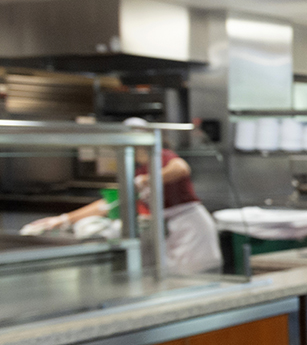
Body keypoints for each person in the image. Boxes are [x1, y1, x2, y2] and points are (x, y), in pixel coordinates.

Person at [23, 118, 222, 275]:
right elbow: (110, 202)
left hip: (190, 227)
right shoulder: (137, 170)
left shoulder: (161, 155)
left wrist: (147, 179)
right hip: (167, 230)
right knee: (176, 279)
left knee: (197, 278)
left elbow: (181, 168)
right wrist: (64, 219)